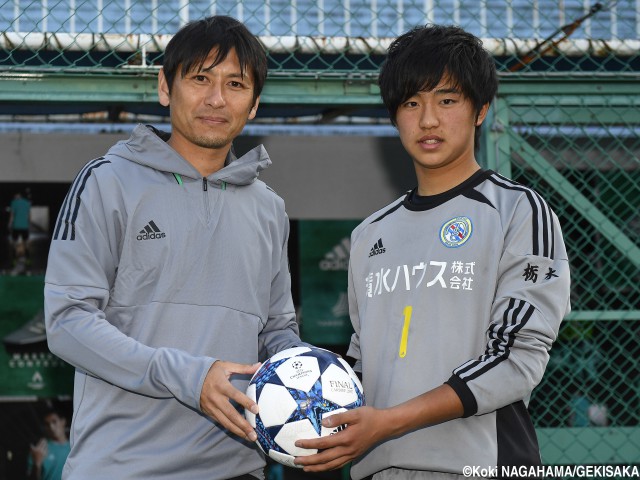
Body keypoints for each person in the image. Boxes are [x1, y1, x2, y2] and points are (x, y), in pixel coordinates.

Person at [294, 24, 571, 479]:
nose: (428, 120)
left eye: (447, 100)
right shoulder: (368, 235)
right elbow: (363, 364)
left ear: (480, 109)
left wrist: (389, 422)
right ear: (394, 115)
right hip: (379, 469)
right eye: (411, 103)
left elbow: (516, 355)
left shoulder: (518, 211)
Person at [44, 16, 306, 480]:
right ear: (166, 87)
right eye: (200, 78)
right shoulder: (108, 181)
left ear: (255, 103)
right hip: (122, 468)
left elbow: (276, 331)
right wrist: (190, 375)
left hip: (238, 468)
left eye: (236, 84)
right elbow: (68, 323)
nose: (216, 99)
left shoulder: (270, 209)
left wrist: (313, 382)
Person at [27, 408, 71, 480]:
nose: (51, 427)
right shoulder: (39, 450)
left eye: (54, 422)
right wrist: (37, 464)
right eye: (47, 424)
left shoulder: (75, 447)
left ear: (63, 421)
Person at [8, 191, 31, 273]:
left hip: (16, 226)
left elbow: (12, 215)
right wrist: (29, 225)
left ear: (17, 195)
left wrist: (10, 224)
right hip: (25, 226)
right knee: (26, 243)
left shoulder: (14, 202)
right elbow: (28, 215)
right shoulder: (27, 203)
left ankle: (14, 260)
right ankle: (28, 260)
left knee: (14, 243)